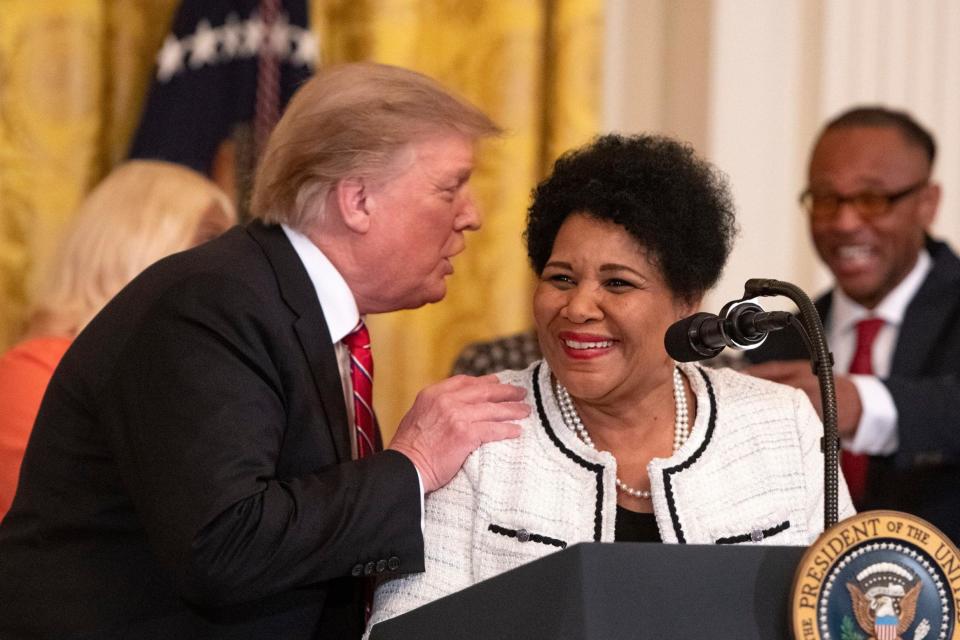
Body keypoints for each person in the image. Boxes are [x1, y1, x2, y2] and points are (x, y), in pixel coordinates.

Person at [0, 62, 529, 638]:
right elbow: (224, 544)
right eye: (450, 188)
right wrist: (414, 464)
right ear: (358, 202)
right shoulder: (213, 304)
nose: (472, 216)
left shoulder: (294, 309)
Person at [367, 134, 854, 632]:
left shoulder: (781, 424)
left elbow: (845, 609)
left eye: (617, 283)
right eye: (560, 278)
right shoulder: (475, 429)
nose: (578, 308)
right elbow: (403, 627)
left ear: (688, 302)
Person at [745, 106, 960, 544]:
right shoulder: (778, 339)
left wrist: (859, 404)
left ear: (927, 203)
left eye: (871, 199)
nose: (844, 223)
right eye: (826, 199)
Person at [0, 160, 236, 521]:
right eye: (208, 239)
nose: (230, 265)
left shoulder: (186, 373)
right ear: (131, 245)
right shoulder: (34, 372)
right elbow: (48, 537)